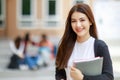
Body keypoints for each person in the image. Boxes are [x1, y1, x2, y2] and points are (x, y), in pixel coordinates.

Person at [55, 3, 114, 80]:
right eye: (73, 21)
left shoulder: (100, 46)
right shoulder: (64, 46)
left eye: (82, 20)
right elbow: (59, 73)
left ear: (90, 21)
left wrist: (83, 78)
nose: (78, 25)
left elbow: (108, 77)